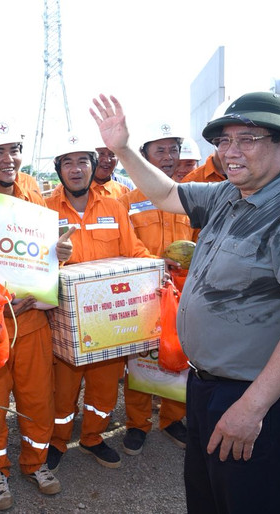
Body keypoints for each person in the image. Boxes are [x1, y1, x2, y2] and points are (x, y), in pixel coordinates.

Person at [91, 92, 280, 513]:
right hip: (208, 386)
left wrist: (251, 408)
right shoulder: (234, 193)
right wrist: (121, 148)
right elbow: (169, 194)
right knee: (210, 498)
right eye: (224, 141)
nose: (230, 152)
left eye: (247, 139)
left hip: (255, 396)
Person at [0, 119, 73, 511]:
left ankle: (36, 462)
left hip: (30, 319)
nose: (9, 159)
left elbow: (43, 247)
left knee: (37, 396)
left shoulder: (29, 188)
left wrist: (60, 254)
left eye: (14, 149)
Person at [45, 132, 153, 473]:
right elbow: (33, 268)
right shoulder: (43, 210)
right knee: (62, 392)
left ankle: (92, 436)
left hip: (107, 322)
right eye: (67, 162)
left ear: (94, 166)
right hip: (65, 324)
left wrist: (156, 270)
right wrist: (55, 257)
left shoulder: (114, 206)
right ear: (58, 169)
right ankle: (58, 440)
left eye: (82, 161)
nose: (75, 169)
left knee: (105, 389)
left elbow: (134, 251)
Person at [116, 122, 191, 455]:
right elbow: (126, 243)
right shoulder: (127, 200)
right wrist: (155, 264)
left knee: (179, 353)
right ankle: (137, 422)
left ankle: (173, 419)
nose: (169, 157)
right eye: (160, 150)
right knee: (141, 358)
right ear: (143, 154)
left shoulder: (193, 196)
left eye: (173, 149)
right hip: (145, 291)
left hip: (184, 290)